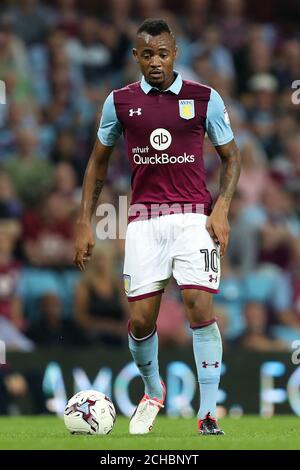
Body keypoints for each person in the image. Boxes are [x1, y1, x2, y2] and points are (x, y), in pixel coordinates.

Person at [74, 18, 241, 436]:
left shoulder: (205, 99)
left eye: (162, 53)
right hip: (144, 221)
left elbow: (232, 158)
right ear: (135, 57)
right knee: (143, 320)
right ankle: (152, 389)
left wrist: (220, 209)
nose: (155, 62)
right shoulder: (119, 102)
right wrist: (84, 223)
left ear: (174, 54)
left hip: (192, 218)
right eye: (146, 54)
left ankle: (207, 413)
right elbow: (97, 162)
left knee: (200, 306)